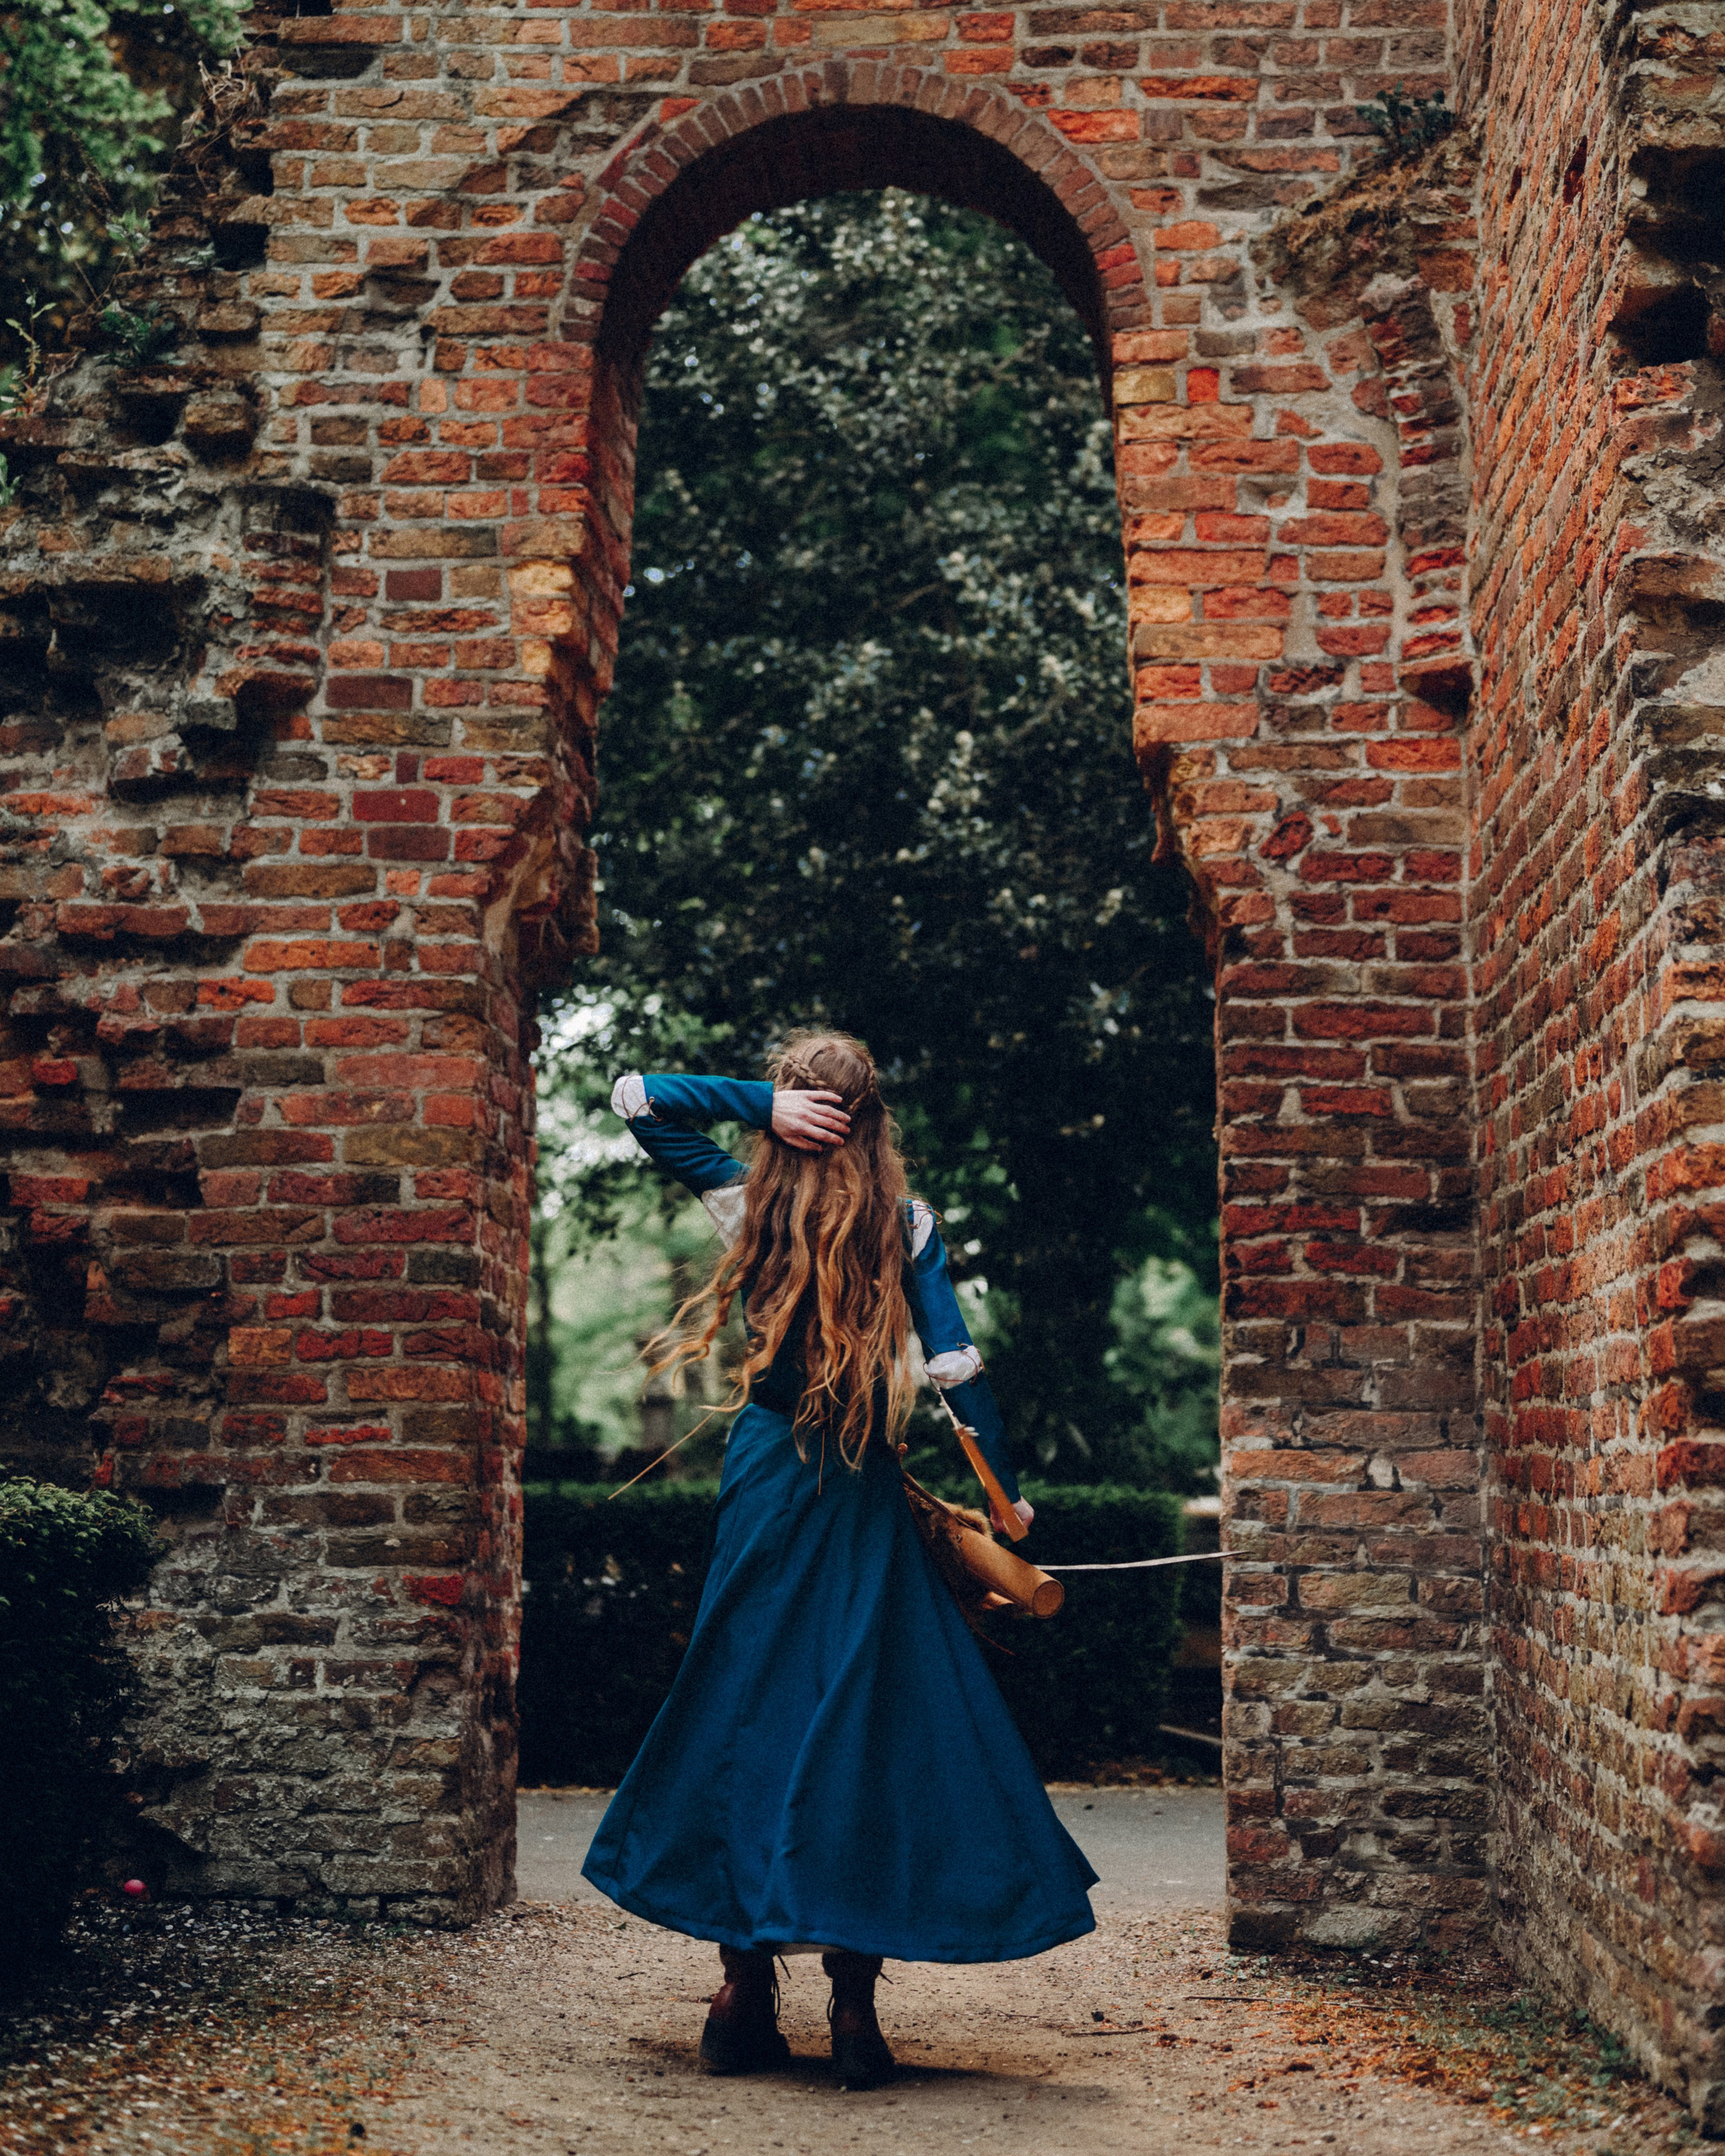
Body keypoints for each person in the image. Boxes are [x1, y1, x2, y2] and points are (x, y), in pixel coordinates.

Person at [579, 1031, 1098, 2089]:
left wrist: (751, 1103)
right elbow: (955, 1366)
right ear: (874, 1127)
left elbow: (636, 1098)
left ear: (798, 1121)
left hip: (769, 1483)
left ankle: (741, 1993)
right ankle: (855, 2013)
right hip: (862, 1488)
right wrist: (1005, 1494)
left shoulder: (747, 1206)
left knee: (745, 1703)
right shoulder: (905, 1228)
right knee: (872, 1714)